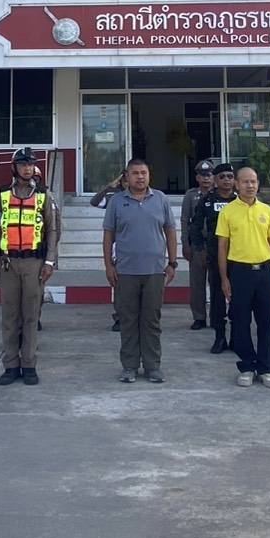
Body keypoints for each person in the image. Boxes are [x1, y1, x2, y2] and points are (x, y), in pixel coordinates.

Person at [0, 148, 60, 387]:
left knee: (30, 316)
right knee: (9, 317)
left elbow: (53, 230)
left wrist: (49, 261)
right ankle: (10, 366)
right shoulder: (2, 194)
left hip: (34, 263)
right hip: (8, 263)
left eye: (30, 164)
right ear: (14, 167)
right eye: (22, 164)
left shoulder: (44, 195)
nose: (27, 168)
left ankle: (29, 365)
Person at [101, 159, 177, 384]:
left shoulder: (161, 199)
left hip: (155, 271)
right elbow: (108, 235)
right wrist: (108, 265)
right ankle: (129, 366)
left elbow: (170, 231)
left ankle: (153, 366)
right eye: (135, 173)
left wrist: (172, 263)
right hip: (125, 272)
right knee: (128, 321)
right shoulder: (117, 201)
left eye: (144, 172)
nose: (140, 177)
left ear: (149, 175)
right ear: (127, 176)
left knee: (151, 321)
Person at [216, 166, 270, 388]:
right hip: (239, 272)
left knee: (266, 322)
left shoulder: (267, 211)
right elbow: (222, 247)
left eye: (253, 181)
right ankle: (246, 366)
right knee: (240, 321)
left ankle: (266, 368)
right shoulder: (227, 212)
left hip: (264, 272)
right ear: (237, 184)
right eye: (245, 181)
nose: (250, 185)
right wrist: (224, 278)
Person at [190, 162, 239, 353]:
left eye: (230, 177)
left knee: (238, 299)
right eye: (222, 177)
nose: (226, 180)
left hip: (239, 257)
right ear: (215, 181)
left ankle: (237, 337)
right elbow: (195, 228)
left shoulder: (241, 200)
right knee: (218, 299)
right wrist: (200, 250)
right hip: (215, 256)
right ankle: (220, 337)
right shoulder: (207, 201)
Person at [180, 161, 215, 331]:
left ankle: (217, 316)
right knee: (197, 283)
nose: (206, 178)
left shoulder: (220, 195)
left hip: (216, 244)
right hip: (197, 244)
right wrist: (185, 243)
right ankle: (199, 317)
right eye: (202, 175)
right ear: (197, 177)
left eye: (209, 175)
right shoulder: (190, 195)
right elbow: (185, 220)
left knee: (216, 282)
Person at [91, 171, 127, 331]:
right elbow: (94, 201)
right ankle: (119, 317)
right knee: (119, 286)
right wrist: (109, 187)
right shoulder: (114, 197)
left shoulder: (145, 197)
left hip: (137, 246)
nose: (128, 183)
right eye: (124, 181)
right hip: (118, 246)